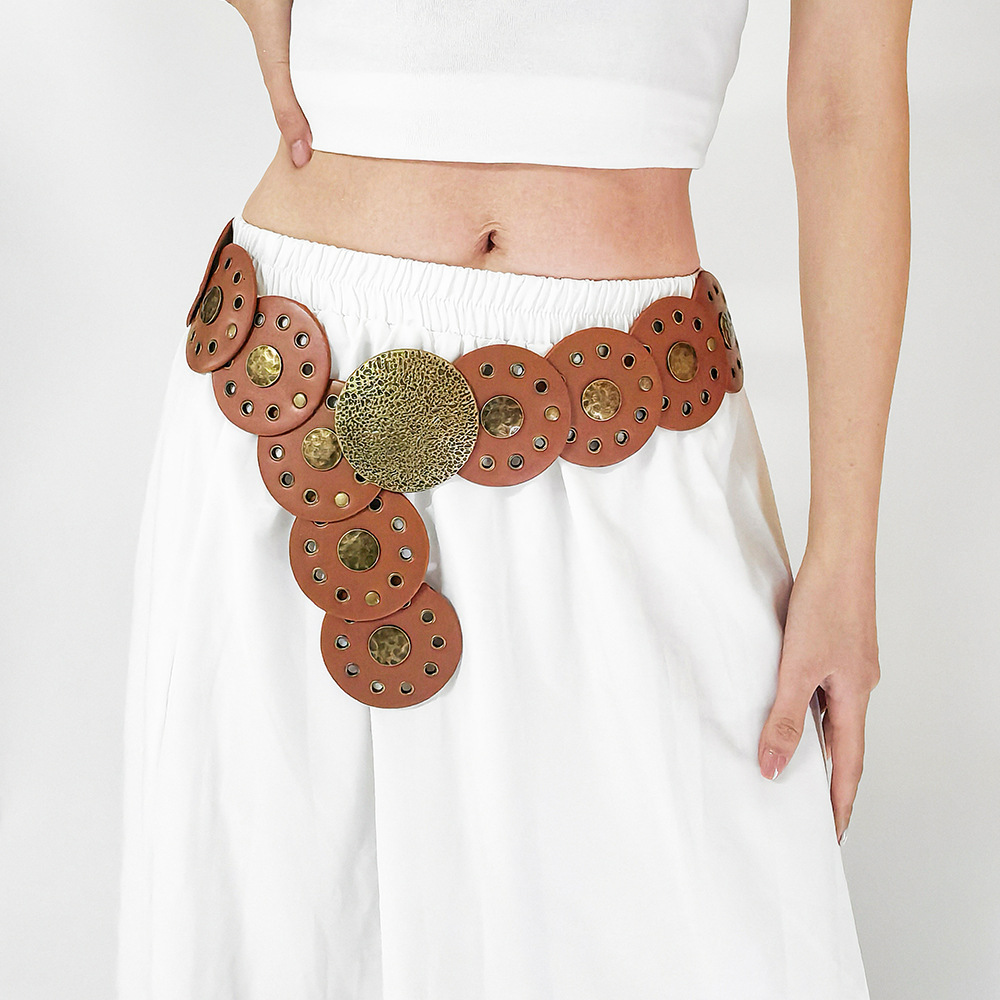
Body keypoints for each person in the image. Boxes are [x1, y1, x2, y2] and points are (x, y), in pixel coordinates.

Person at [116, 0, 911, 997]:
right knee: (292, 936)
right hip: (302, 394)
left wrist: (845, 558)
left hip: (627, 410)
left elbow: (847, 104)